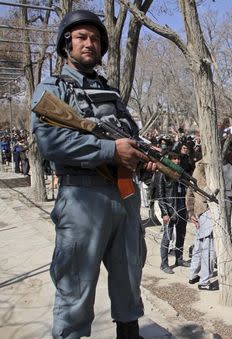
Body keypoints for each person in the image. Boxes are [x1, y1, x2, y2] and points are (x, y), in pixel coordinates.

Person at [31, 10, 148, 338]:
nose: (90, 43)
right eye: (82, 37)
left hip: (124, 197)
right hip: (82, 200)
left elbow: (132, 136)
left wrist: (142, 158)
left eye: (95, 38)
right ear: (67, 43)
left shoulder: (111, 95)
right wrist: (111, 151)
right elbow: (50, 141)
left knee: (129, 289)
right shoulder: (53, 89)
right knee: (75, 295)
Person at [186, 160, 218, 291]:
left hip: (200, 213)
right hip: (207, 212)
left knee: (199, 247)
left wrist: (191, 212)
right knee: (208, 249)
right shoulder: (203, 168)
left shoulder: (197, 170)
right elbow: (206, 193)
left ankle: (193, 275)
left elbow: (189, 194)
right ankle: (204, 281)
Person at [156, 152, 189, 274]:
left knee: (181, 235)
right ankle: (164, 264)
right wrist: (165, 213)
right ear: (169, 160)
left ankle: (179, 259)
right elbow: (160, 196)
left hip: (181, 209)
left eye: (178, 159)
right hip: (170, 211)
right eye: (174, 159)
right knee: (167, 238)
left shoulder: (180, 174)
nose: (177, 161)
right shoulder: (163, 174)